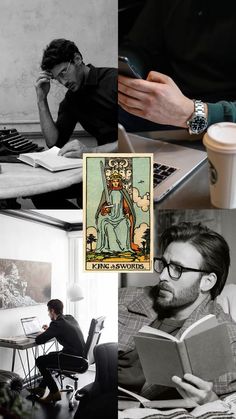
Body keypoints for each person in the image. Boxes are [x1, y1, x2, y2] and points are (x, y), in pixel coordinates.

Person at [118, 222, 236, 405]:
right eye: (164, 264)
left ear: (207, 282)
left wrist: (210, 400)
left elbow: (229, 406)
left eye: (177, 269)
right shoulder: (125, 297)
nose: (163, 276)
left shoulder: (228, 339)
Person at [118, 0, 236, 134]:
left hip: (222, 124)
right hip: (166, 102)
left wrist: (191, 113)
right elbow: (139, 47)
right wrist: (128, 72)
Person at [32, 38, 117, 208]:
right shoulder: (72, 99)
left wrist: (90, 152)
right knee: (38, 191)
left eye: (63, 73)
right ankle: (79, 226)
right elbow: (54, 142)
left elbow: (136, 140)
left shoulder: (114, 80)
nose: (63, 83)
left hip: (129, 165)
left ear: (77, 59)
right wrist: (42, 100)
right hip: (99, 169)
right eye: (57, 79)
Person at [28, 299, 86, 404]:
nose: (48, 313)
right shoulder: (69, 318)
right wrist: (50, 330)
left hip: (73, 359)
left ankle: (54, 392)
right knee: (50, 356)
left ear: (52, 311)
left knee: (40, 361)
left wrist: (41, 334)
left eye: (48, 311)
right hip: (80, 356)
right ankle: (41, 388)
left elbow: (39, 340)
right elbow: (62, 330)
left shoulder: (57, 324)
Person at [95, 173, 138, 254]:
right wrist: (105, 208)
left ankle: (124, 248)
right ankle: (108, 248)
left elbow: (126, 205)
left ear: (119, 182)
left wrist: (127, 212)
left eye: (117, 181)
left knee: (126, 224)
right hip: (109, 218)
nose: (115, 183)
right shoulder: (107, 192)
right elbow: (102, 207)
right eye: (113, 181)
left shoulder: (123, 192)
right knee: (106, 225)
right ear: (111, 182)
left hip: (120, 217)